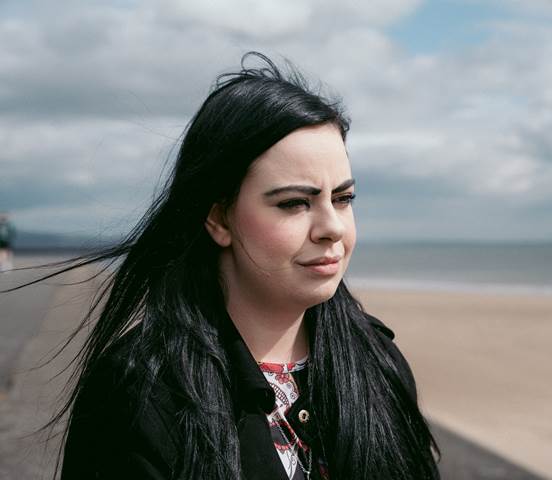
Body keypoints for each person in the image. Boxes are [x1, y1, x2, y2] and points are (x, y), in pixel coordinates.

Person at [31, 52, 439, 479]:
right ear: (219, 218)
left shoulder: (376, 361)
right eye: (294, 203)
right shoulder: (142, 392)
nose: (331, 227)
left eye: (342, 198)